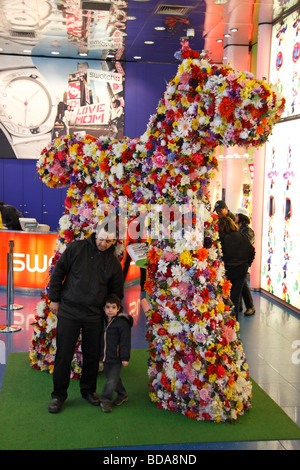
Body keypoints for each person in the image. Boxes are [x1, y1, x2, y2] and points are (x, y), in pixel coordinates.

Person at [48, 218, 124, 413]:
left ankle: (88, 391)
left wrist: (112, 309)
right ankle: (58, 395)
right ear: (95, 233)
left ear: (113, 241)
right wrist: (54, 299)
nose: (103, 244)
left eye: (108, 241)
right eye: (101, 239)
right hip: (69, 311)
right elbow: (58, 273)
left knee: (91, 356)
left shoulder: (113, 261)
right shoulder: (77, 248)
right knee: (64, 355)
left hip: (94, 315)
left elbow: (116, 291)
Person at [100, 293, 133, 413]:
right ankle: (122, 394)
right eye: (108, 307)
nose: (110, 310)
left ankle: (105, 400)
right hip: (106, 357)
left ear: (118, 308)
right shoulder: (103, 321)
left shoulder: (122, 323)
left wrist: (125, 358)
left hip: (117, 358)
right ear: (104, 309)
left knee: (111, 381)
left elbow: (125, 342)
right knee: (113, 379)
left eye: (113, 307)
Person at [218, 216, 255, 320]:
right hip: (241, 271)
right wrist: (247, 264)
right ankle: (234, 324)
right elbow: (251, 251)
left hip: (227, 271)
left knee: (225, 297)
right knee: (235, 297)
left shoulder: (223, 238)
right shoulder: (242, 236)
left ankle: (226, 323)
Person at [235, 207, 255, 316]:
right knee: (241, 283)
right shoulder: (240, 229)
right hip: (239, 260)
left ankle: (250, 306)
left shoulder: (248, 230)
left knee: (243, 283)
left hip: (243, 261)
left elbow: (245, 246)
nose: (235, 217)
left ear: (241, 217)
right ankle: (240, 306)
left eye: (237, 215)